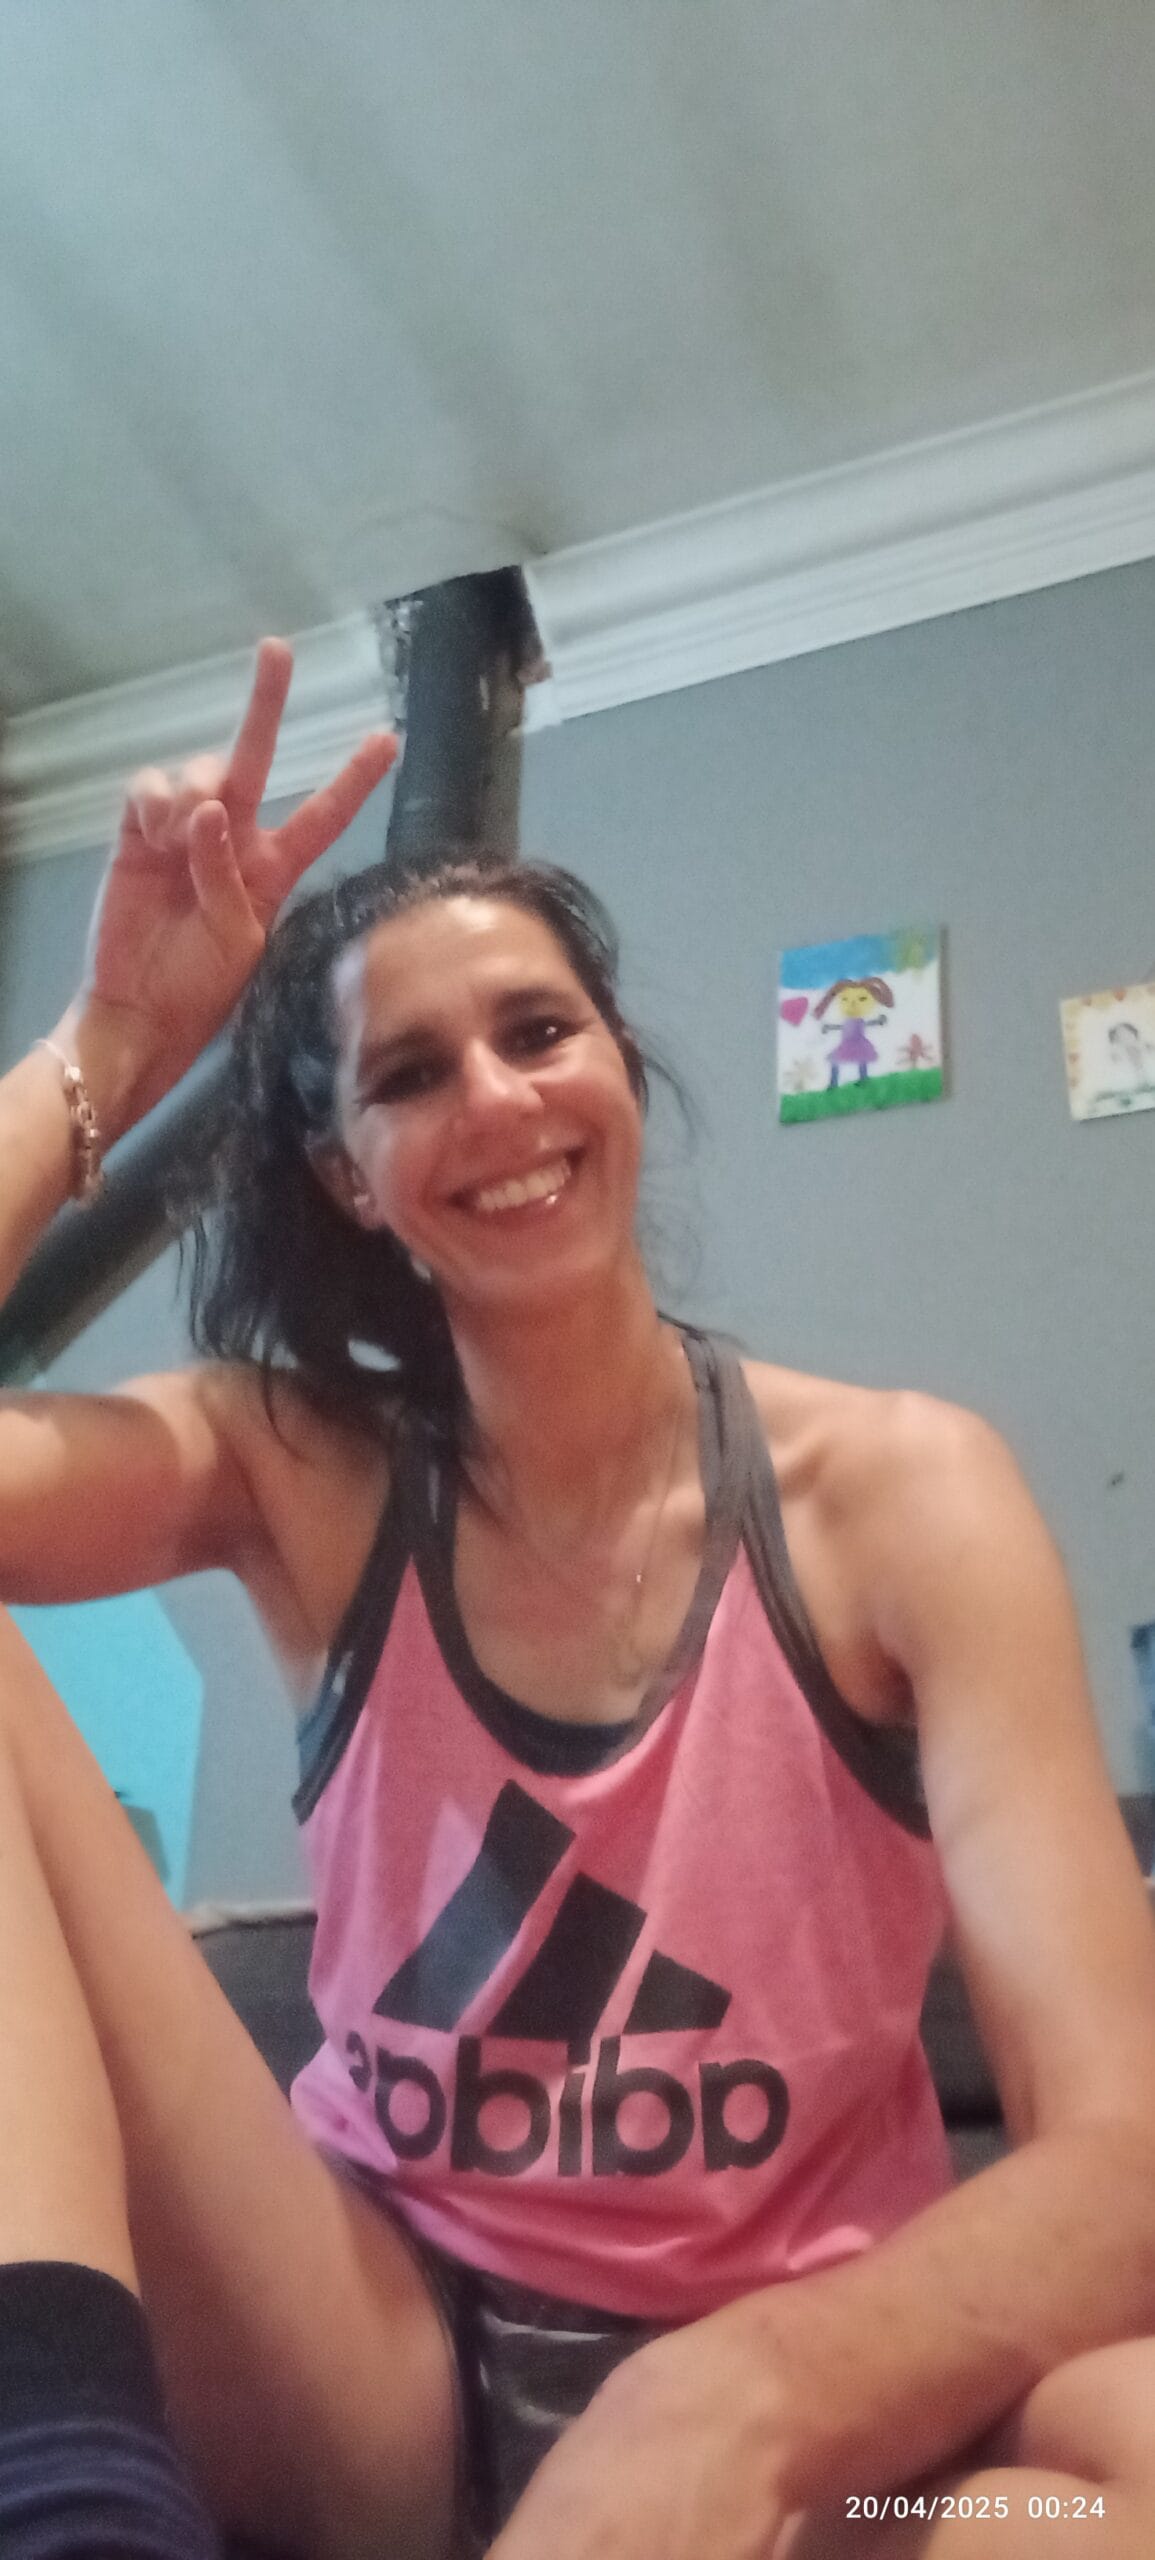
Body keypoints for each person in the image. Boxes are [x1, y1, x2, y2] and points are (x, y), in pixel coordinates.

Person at [2, 636, 1155, 2560]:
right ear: (348, 1177)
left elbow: (1122, 2158)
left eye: (538, 1032)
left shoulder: (903, 1496)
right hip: (375, 2383)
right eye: (409, 1074)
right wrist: (106, 1047)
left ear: (617, 1064)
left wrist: (735, 2405)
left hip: (818, 2452)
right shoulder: (286, 1468)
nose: (496, 1099)